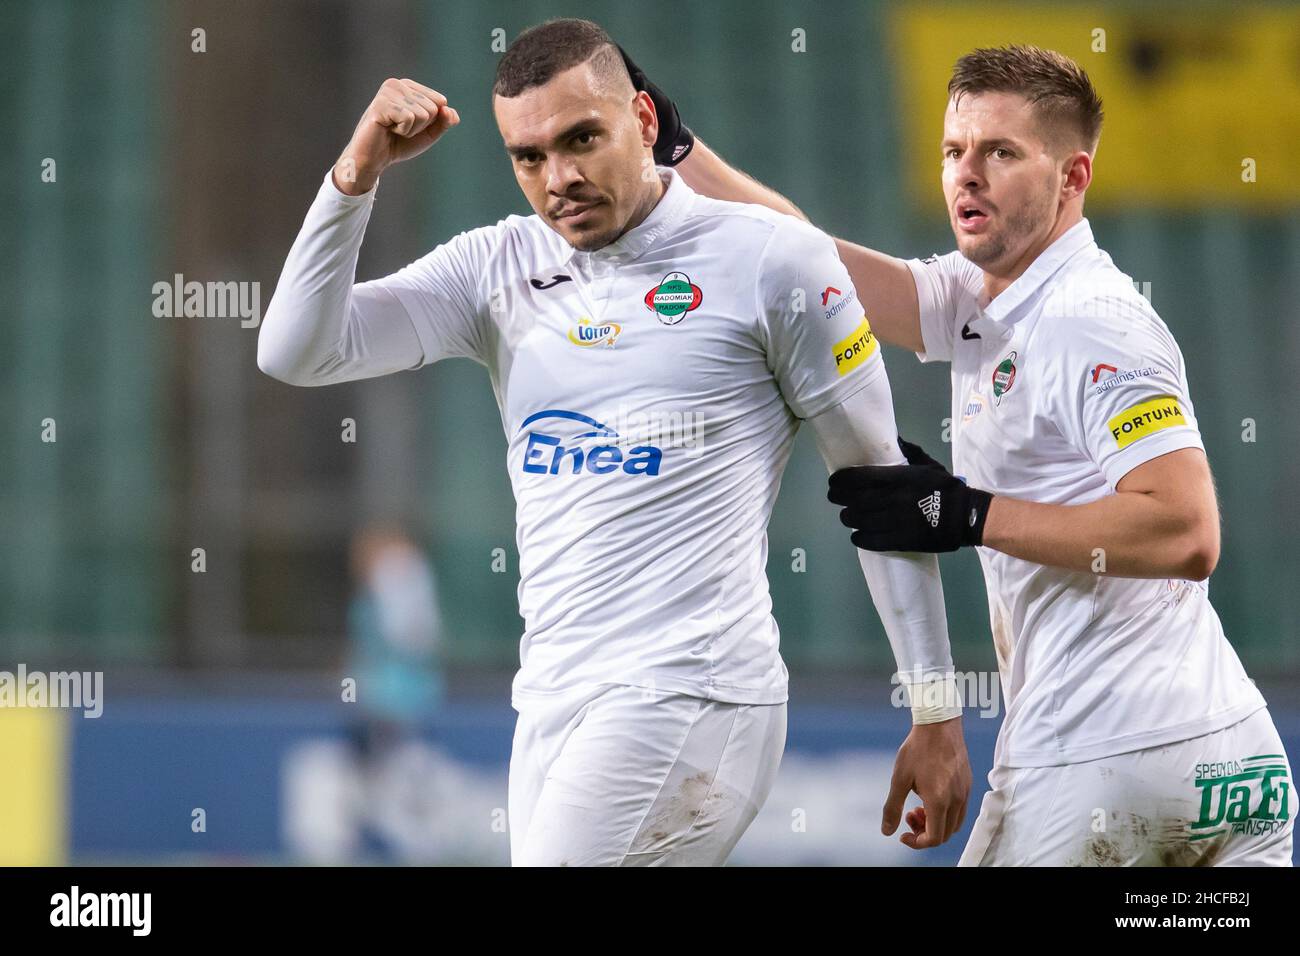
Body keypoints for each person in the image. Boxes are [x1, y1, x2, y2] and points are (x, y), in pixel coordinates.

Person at [256, 18, 971, 866]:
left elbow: (880, 486)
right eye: (528, 157)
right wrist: (354, 176)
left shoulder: (773, 261)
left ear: (640, 117)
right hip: (554, 701)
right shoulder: (497, 269)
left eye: (581, 138)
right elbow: (296, 350)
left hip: (697, 693)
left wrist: (934, 710)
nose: (558, 178)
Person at [651, 42, 1293, 864]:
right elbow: (805, 259)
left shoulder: (1091, 319)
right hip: (1224, 763)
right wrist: (680, 152)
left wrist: (965, 514)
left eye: (1001, 153)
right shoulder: (985, 295)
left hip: (1103, 756)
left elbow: (1185, 532)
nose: (967, 174)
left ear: (1073, 178)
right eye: (955, 151)